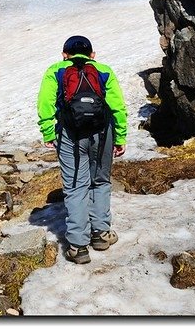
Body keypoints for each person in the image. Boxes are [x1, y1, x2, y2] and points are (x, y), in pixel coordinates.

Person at [36, 35, 127, 264]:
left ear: (64, 55)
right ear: (92, 55)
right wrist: (120, 136)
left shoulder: (55, 71)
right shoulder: (104, 70)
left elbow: (45, 103)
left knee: (75, 186)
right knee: (101, 181)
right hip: (103, 133)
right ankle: (101, 234)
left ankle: (78, 245)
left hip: (70, 134)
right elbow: (117, 106)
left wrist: (48, 132)